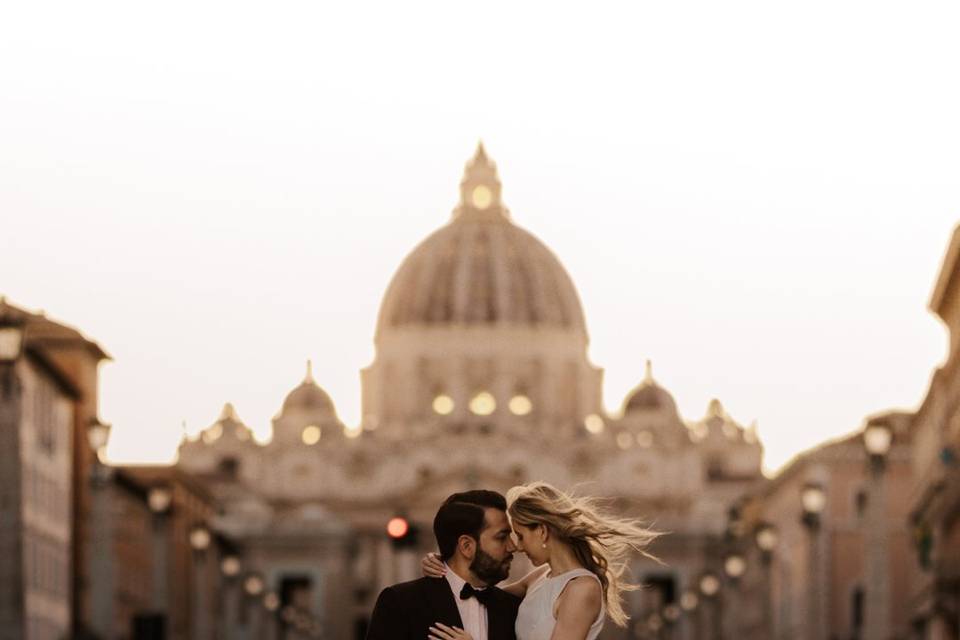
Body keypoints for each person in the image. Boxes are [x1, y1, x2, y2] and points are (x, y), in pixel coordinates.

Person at [422, 482, 660, 640]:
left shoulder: (582, 588)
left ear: (543, 532)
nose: (517, 546)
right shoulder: (541, 576)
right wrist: (446, 562)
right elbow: (480, 593)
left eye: (521, 536)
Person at [366, 490, 522, 640]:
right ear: (466, 546)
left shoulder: (512, 607)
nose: (512, 546)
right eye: (502, 537)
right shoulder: (401, 602)